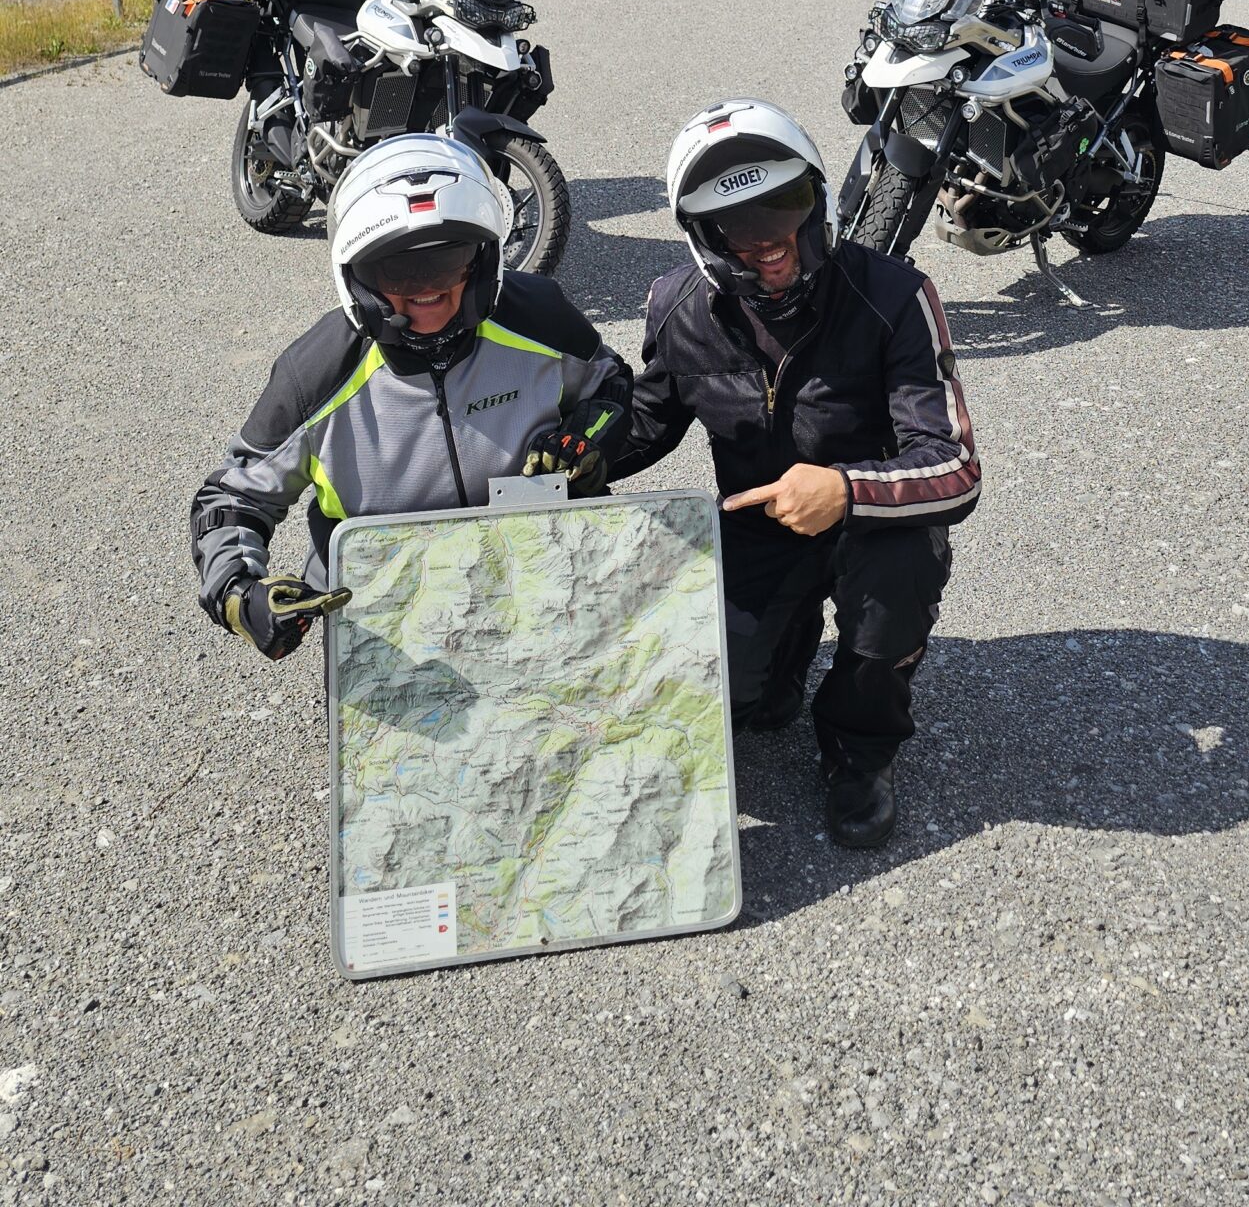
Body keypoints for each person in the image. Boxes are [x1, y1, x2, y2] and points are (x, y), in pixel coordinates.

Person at [612, 102, 980, 850]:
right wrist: (564, 452)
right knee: (739, 700)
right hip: (754, 525)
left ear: (817, 197)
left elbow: (957, 468)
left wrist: (844, 489)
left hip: (873, 523)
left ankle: (858, 748)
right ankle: (779, 662)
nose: (769, 241)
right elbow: (645, 424)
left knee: (898, 585)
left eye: (785, 208)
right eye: (737, 228)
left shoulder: (894, 293)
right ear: (701, 235)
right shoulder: (673, 304)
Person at [190, 132, 631, 660]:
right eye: (396, 269)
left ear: (485, 258)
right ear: (355, 276)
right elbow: (233, 498)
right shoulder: (316, 374)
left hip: (541, 578)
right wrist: (241, 594)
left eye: (448, 261)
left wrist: (584, 440)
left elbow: (612, 388)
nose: (428, 288)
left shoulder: (540, 318)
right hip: (388, 617)